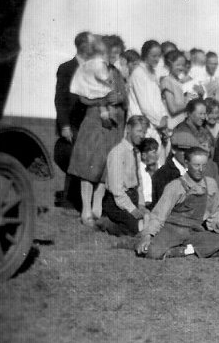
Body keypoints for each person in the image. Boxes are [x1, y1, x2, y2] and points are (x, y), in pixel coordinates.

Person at [135, 147, 219, 259]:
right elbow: (159, 215)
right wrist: (147, 235)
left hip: (194, 231)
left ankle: (179, 251)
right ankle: (133, 242)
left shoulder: (211, 184)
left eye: (204, 165)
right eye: (196, 165)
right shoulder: (176, 186)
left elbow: (215, 211)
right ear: (187, 164)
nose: (201, 169)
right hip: (171, 230)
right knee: (152, 252)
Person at [68, 36, 127, 227]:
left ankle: (96, 207)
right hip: (95, 123)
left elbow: (124, 97)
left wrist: (117, 98)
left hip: (113, 127)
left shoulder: (116, 72)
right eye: (111, 52)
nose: (113, 56)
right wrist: (101, 100)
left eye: (117, 53)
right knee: (88, 166)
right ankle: (86, 211)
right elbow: (82, 97)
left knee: (105, 168)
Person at [54, 31, 93, 209]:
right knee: (73, 158)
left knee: (85, 160)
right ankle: (68, 200)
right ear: (83, 46)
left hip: (89, 123)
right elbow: (60, 99)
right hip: (72, 124)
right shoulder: (66, 68)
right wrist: (64, 126)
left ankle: (76, 200)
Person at [101, 115, 150, 235]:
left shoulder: (136, 152)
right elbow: (116, 190)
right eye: (139, 131)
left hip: (133, 198)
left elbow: (139, 183)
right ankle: (108, 223)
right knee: (138, 228)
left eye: (144, 132)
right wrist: (133, 210)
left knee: (152, 220)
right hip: (117, 202)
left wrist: (141, 204)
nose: (142, 135)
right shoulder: (118, 153)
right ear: (128, 128)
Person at [127, 40, 169, 163]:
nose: (157, 59)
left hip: (155, 124)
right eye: (153, 56)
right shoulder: (138, 73)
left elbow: (157, 99)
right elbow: (144, 105)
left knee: (158, 162)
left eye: (158, 56)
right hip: (143, 124)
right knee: (145, 162)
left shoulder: (152, 72)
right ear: (145, 55)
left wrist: (164, 116)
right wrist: (159, 122)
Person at [169, 98, 219, 183]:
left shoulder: (203, 130)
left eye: (204, 114)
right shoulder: (181, 130)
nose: (203, 117)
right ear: (189, 114)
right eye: (200, 114)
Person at [160, 50, 197, 130]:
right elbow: (173, 109)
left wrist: (188, 98)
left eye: (183, 65)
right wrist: (188, 103)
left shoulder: (177, 82)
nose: (181, 67)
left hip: (180, 126)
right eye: (178, 64)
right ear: (169, 64)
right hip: (172, 127)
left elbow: (179, 102)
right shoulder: (167, 81)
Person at [138, 137, 160, 209]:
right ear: (144, 155)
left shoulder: (160, 168)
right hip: (143, 206)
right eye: (154, 152)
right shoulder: (138, 170)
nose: (157, 155)